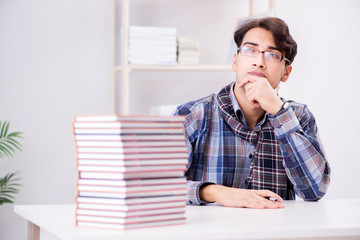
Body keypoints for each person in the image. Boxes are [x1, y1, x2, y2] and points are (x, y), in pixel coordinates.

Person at [173, 17, 331, 209]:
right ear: (235, 61)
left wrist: (278, 111)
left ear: (286, 72)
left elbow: (314, 191)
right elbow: (157, 186)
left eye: (272, 55)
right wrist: (215, 192)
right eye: (250, 50)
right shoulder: (192, 114)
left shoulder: (299, 117)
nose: (259, 62)